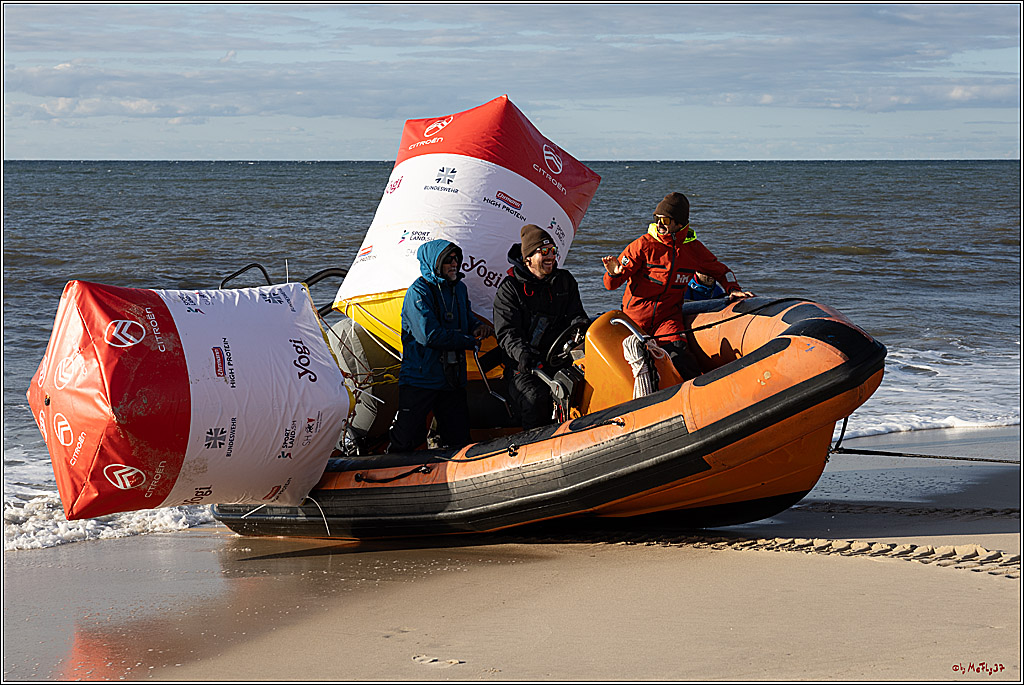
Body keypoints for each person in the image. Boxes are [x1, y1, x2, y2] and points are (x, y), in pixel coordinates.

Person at [602, 192, 753, 379]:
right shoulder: (643, 245)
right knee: (624, 370)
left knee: (680, 355)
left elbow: (722, 271)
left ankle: (696, 397)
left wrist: (733, 289)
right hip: (634, 320)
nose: (659, 224)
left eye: (664, 220)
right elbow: (610, 285)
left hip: (667, 319)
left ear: (679, 224)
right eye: (657, 218)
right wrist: (613, 273)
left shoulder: (693, 250)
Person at [388, 239, 493, 453]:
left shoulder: (459, 289)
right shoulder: (417, 293)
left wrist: (478, 327)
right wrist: (468, 341)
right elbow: (429, 335)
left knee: (459, 438)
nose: (454, 264)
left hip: (451, 379)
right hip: (421, 379)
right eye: (448, 260)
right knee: (407, 438)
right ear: (435, 263)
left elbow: (467, 318)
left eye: (456, 259)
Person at [493, 224, 590, 430]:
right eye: (544, 251)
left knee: (589, 385)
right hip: (526, 366)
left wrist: (581, 330)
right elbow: (507, 333)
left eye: (553, 251)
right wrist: (523, 355)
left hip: (560, 358)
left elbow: (577, 315)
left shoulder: (565, 281)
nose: (550, 256)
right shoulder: (510, 290)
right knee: (535, 398)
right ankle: (533, 446)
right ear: (528, 258)